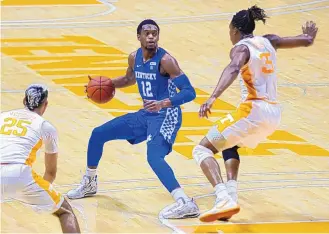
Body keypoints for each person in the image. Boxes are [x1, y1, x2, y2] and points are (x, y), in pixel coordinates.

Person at [191, 5, 318, 222]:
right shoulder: (270, 40)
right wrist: (308, 36)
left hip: (253, 110)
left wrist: (213, 97)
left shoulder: (241, 48)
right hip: (274, 114)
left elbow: (232, 68)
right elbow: (305, 41)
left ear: (235, 31)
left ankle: (222, 198)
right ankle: (231, 197)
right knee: (228, 143)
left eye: (230, 30)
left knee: (202, 149)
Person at [67, 19, 200, 219]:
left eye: (154, 33)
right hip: (146, 115)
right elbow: (130, 79)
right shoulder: (134, 58)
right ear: (138, 37)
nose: (151, 37)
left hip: (166, 115)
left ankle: (184, 202)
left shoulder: (166, 61)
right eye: (146, 33)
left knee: (154, 157)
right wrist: (103, 84)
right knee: (98, 134)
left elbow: (190, 93)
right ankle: (90, 182)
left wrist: (163, 103)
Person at [0, 84, 81, 233]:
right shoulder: (45, 126)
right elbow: (50, 172)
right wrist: (37, 197)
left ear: (24, 100)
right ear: (45, 105)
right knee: (65, 212)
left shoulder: (2, 116)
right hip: (19, 173)